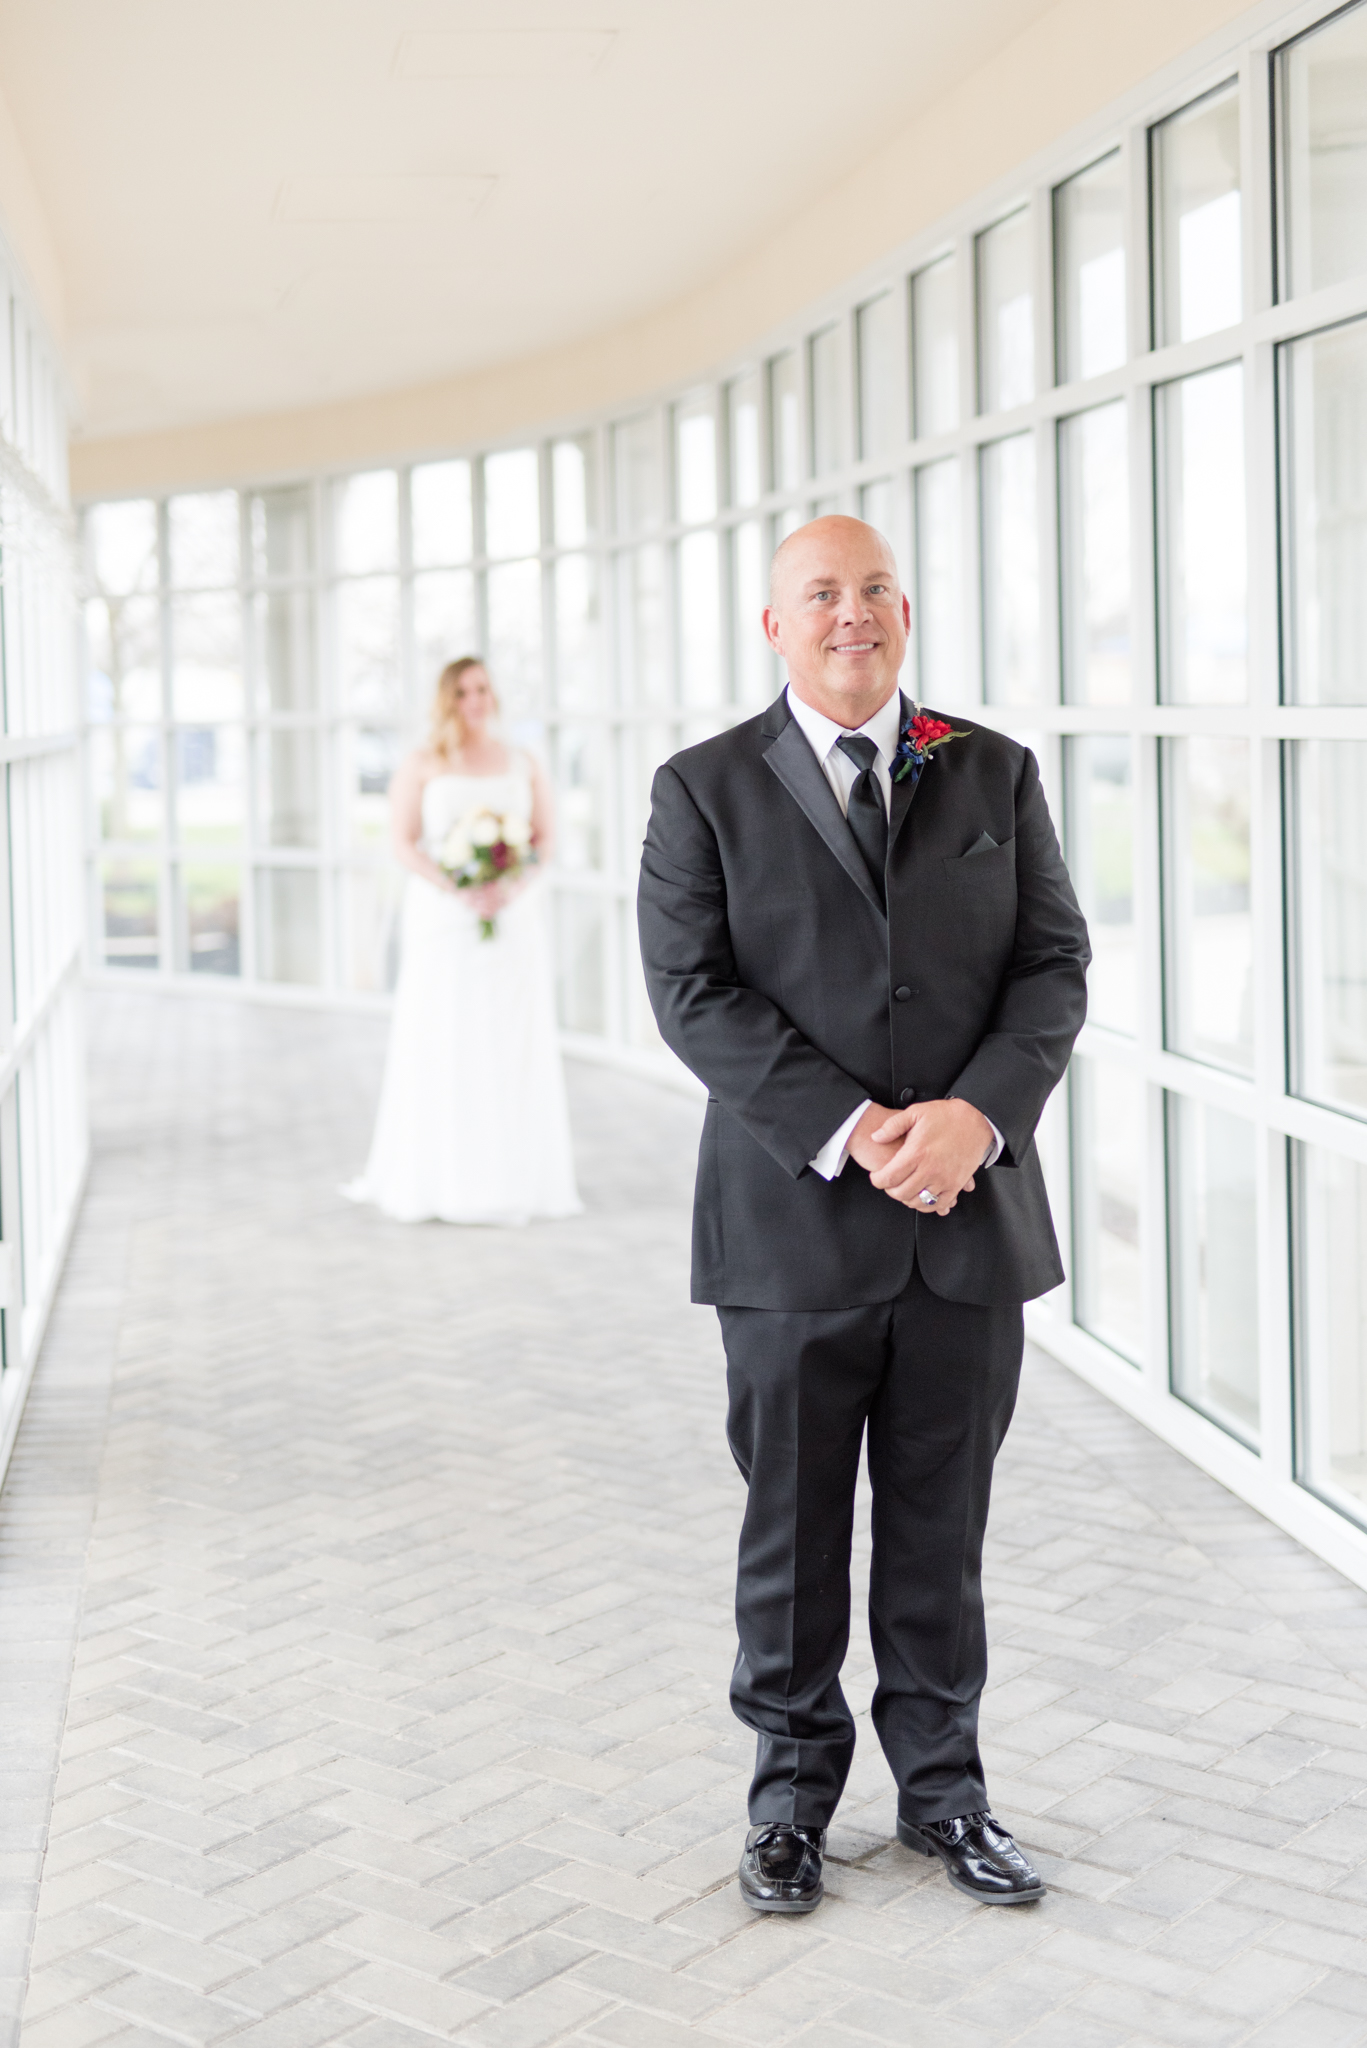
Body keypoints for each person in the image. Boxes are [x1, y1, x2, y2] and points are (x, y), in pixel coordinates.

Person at [637, 517, 1089, 1914]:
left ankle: (944, 1798)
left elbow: (1050, 962)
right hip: (788, 1237)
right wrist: (853, 1131)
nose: (853, 613)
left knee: (939, 1534)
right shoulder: (700, 787)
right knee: (788, 1534)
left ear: (906, 609)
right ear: (771, 626)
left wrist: (975, 1117)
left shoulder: (990, 768)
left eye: (875, 588)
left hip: (962, 1222)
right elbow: (691, 990)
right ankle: (786, 1804)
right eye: (820, 593)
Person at [345, 656, 581, 1226]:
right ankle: (441, 1178)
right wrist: (459, 887)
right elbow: (403, 843)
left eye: (483, 689)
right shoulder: (423, 763)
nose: (476, 699)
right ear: (447, 700)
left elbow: (545, 840)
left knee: (509, 1040)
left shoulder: (524, 762)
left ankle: (515, 1177)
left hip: (513, 919)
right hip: (444, 922)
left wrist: (511, 886)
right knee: (445, 1036)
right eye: (463, 691)